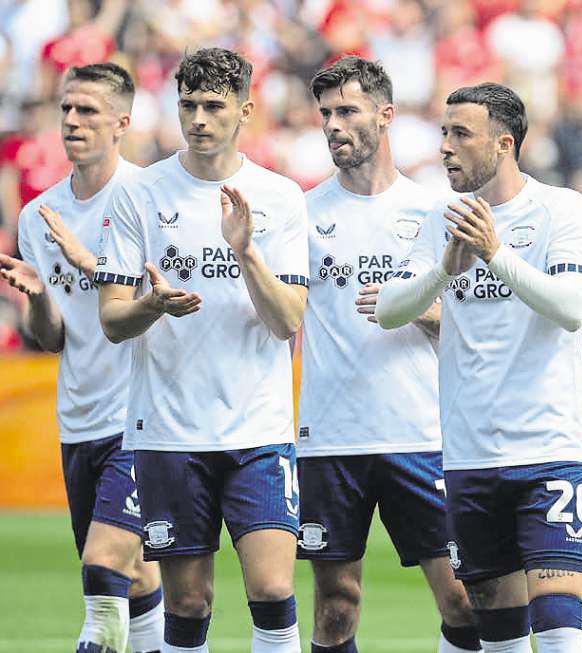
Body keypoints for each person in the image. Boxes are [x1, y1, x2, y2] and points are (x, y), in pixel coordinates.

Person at [95, 48, 309, 653]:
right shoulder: (140, 194)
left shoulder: (280, 197)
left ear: (245, 110)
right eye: (188, 104)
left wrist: (244, 252)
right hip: (169, 430)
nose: (199, 119)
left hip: (257, 430)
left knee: (271, 588)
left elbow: (286, 320)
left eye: (214, 106)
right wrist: (152, 306)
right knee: (189, 601)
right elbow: (112, 319)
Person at [377, 82, 582, 653]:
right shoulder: (439, 218)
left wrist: (495, 252)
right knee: (497, 634)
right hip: (471, 455)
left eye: (459, 134)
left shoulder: (561, 209)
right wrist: (444, 269)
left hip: (548, 448)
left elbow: (572, 309)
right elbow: (388, 309)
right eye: (443, 133)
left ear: (503, 144)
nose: (445, 147)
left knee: (557, 625)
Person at [296, 56, 480, 653]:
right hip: (330, 437)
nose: (333, 125)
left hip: (420, 432)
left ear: (386, 115)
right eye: (325, 114)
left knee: (461, 600)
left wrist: (413, 308)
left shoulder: (433, 212)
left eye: (347, 111)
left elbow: (473, 324)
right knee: (334, 608)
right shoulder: (301, 214)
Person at [0, 62, 163, 653]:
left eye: (88, 110)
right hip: (79, 418)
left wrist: (94, 267)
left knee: (101, 569)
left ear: (122, 122)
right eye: (67, 108)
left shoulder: (150, 200)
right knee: (135, 575)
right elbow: (52, 339)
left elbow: (166, 301)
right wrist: (39, 299)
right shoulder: (38, 216)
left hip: (145, 418)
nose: (72, 120)